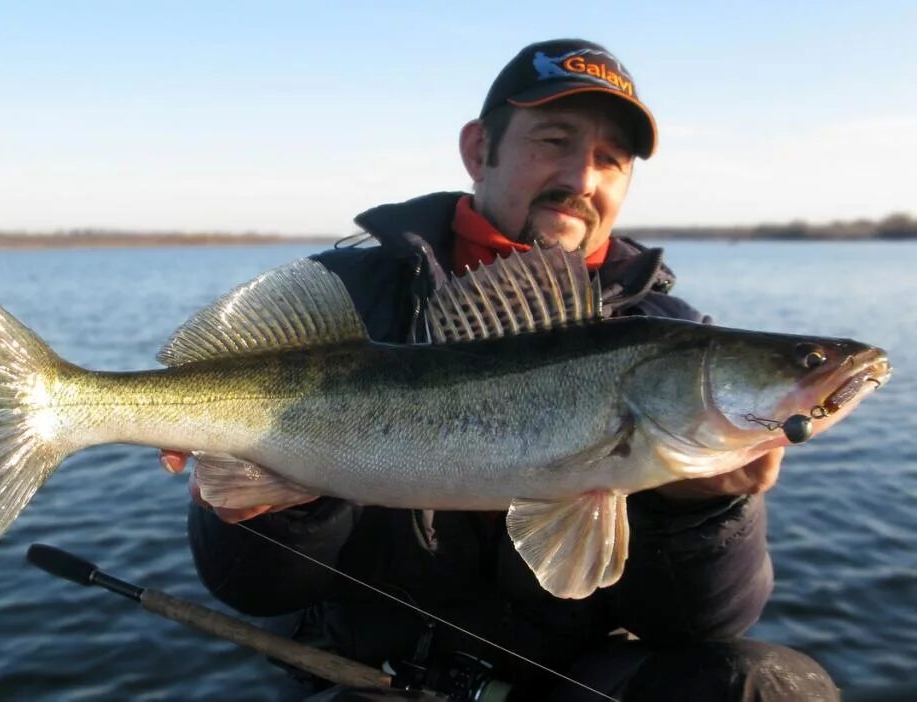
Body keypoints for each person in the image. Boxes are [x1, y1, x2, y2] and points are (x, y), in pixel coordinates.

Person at [160, 39, 840, 701]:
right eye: (555, 142)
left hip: (572, 679)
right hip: (361, 671)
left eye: (611, 159)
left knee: (767, 685)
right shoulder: (350, 298)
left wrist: (710, 509)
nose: (581, 180)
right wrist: (290, 487)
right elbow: (252, 589)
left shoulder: (673, 331)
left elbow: (704, 627)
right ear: (479, 150)